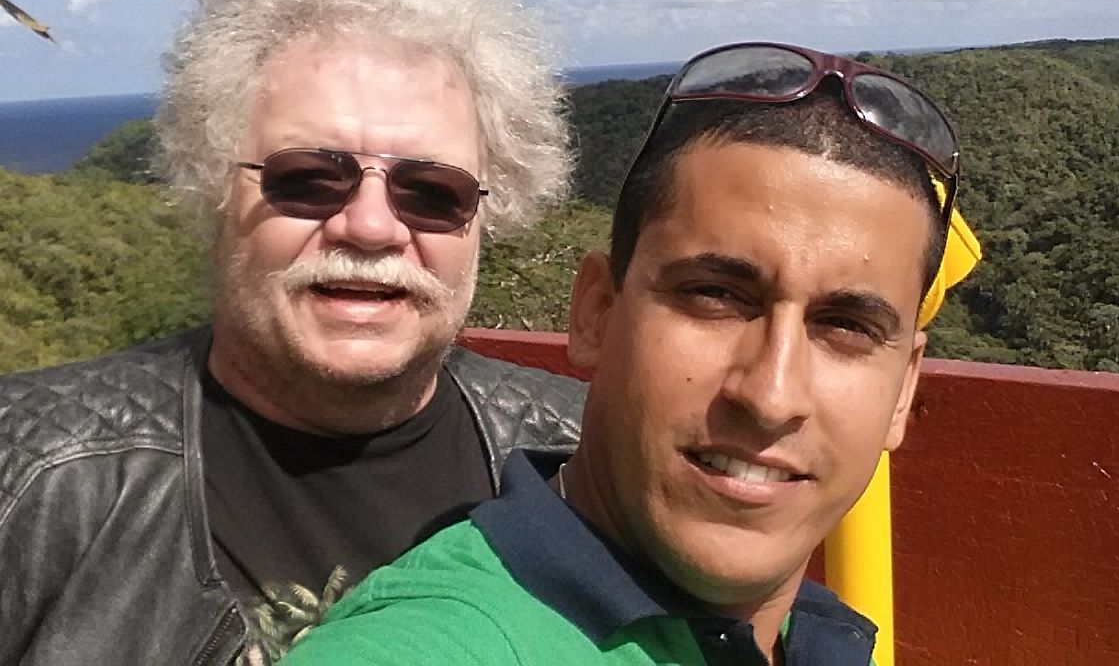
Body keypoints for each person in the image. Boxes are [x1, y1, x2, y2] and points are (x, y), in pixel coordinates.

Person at [0, 0, 586, 664]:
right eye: (308, 179)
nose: (371, 227)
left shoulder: (582, 455)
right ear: (213, 195)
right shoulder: (21, 485)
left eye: (433, 192)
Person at [279, 43, 982, 665]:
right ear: (597, 313)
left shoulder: (814, 635)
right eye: (715, 295)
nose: (771, 396)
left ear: (903, 389)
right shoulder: (436, 643)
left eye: (847, 326)